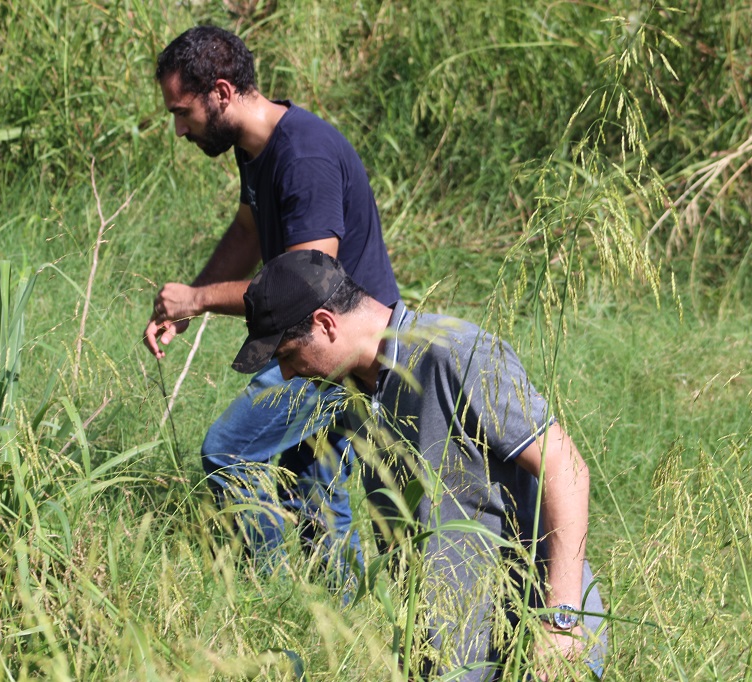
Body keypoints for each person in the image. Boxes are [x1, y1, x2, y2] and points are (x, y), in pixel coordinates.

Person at [231, 249, 608, 680]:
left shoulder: (453, 354)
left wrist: (560, 620)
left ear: (325, 324)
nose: (286, 373)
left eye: (288, 353)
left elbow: (566, 467)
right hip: (449, 646)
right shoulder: (355, 389)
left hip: (531, 639)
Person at [143, 26, 399, 578]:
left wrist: (200, 298)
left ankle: (268, 588)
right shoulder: (256, 148)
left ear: (222, 92)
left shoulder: (303, 155)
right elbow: (247, 232)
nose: (179, 128)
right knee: (314, 484)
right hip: (325, 341)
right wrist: (186, 304)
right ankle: (336, 617)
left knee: (228, 452)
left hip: (340, 347)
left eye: (182, 111)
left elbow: (308, 286)